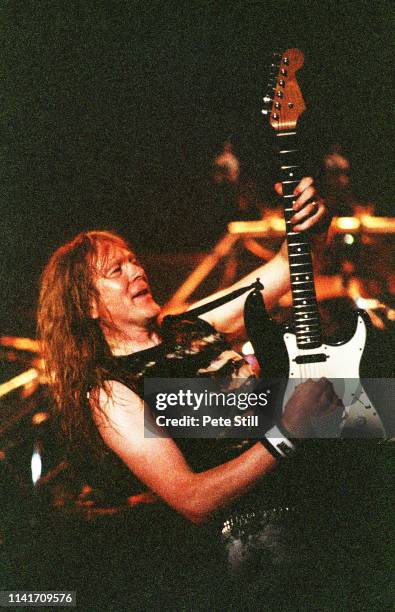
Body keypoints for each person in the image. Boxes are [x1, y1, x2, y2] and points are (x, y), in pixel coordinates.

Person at [37, 177, 341, 608]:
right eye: (116, 270)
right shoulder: (111, 391)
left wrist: (308, 224)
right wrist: (287, 432)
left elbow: (291, 265)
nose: (138, 271)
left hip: (321, 506)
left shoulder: (191, 325)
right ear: (87, 305)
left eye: (134, 261)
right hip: (255, 558)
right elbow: (192, 499)